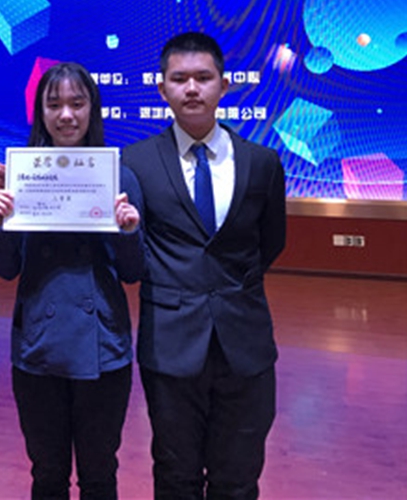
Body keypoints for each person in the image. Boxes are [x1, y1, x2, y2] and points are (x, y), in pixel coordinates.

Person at [121, 32, 286, 500]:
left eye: (203, 77)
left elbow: (271, 243)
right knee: (176, 478)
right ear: (162, 89)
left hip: (246, 346)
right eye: (179, 79)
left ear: (224, 85)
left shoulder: (262, 162)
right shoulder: (135, 163)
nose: (191, 88)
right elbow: (136, 249)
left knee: (238, 480)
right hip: (171, 346)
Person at [0, 62, 145, 500]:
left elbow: (133, 273)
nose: (66, 115)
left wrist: (129, 231)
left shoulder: (121, 176)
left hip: (103, 348)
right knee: (47, 473)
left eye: (77, 103)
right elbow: (5, 269)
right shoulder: (20, 177)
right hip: (38, 346)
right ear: (40, 112)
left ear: (93, 109)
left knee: (99, 474)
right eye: (54, 105)